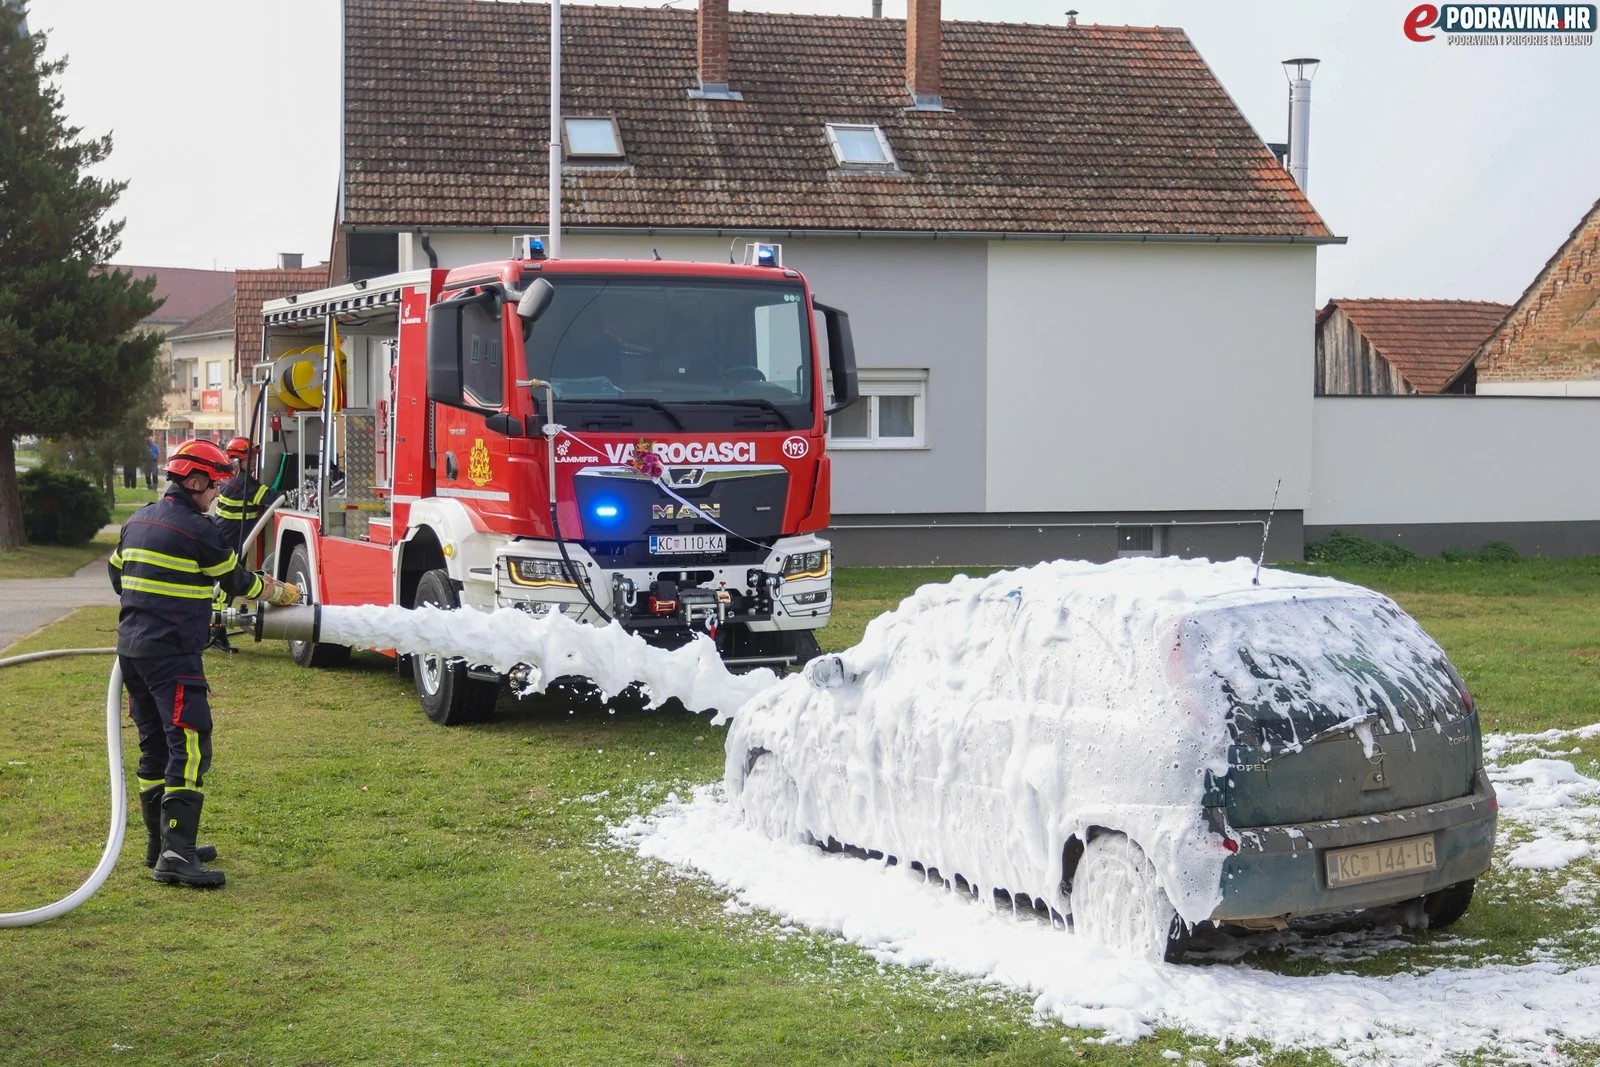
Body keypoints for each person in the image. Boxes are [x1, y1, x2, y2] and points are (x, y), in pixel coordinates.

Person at [108, 438, 302, 888]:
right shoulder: (198, 529)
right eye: (214, 485)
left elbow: (119, 577)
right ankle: (177, 854)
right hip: (173, 655)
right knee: (190, 745)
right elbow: (234, 579)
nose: (218, 493)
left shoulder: (136, 521)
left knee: (154, 742)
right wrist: (281, 592)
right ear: (193, 481)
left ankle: (162, 844)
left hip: (133, 652)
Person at [208, 437, 280, 652]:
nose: (254, 462)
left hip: (229, 541)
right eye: (251, 459)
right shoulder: (243, 484)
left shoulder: (235, 481)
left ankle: (212, 631)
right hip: (230, 543)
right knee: (223, 591)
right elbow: (272, 498)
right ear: (238, 461)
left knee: (222, 590)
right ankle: (215, 634)